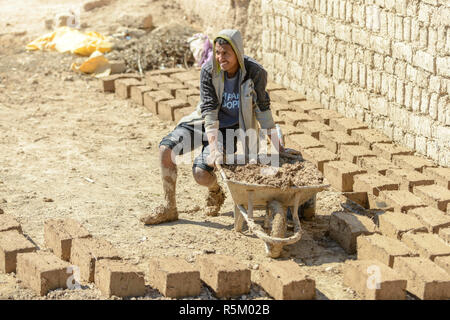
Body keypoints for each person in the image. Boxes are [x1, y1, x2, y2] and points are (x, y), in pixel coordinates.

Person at [140, 29, 283, 225]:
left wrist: (277, 146)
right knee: (166, 149)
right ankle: (169, 207)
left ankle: (215, 190)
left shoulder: (254, 72)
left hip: (229, 130)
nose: (220, 58)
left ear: (238, 52)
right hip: (202, 122)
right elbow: (209, 111)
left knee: (201, 174)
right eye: (217, 52)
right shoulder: (209, 71)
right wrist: (214, 149)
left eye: (225, 53)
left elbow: (263, 110)